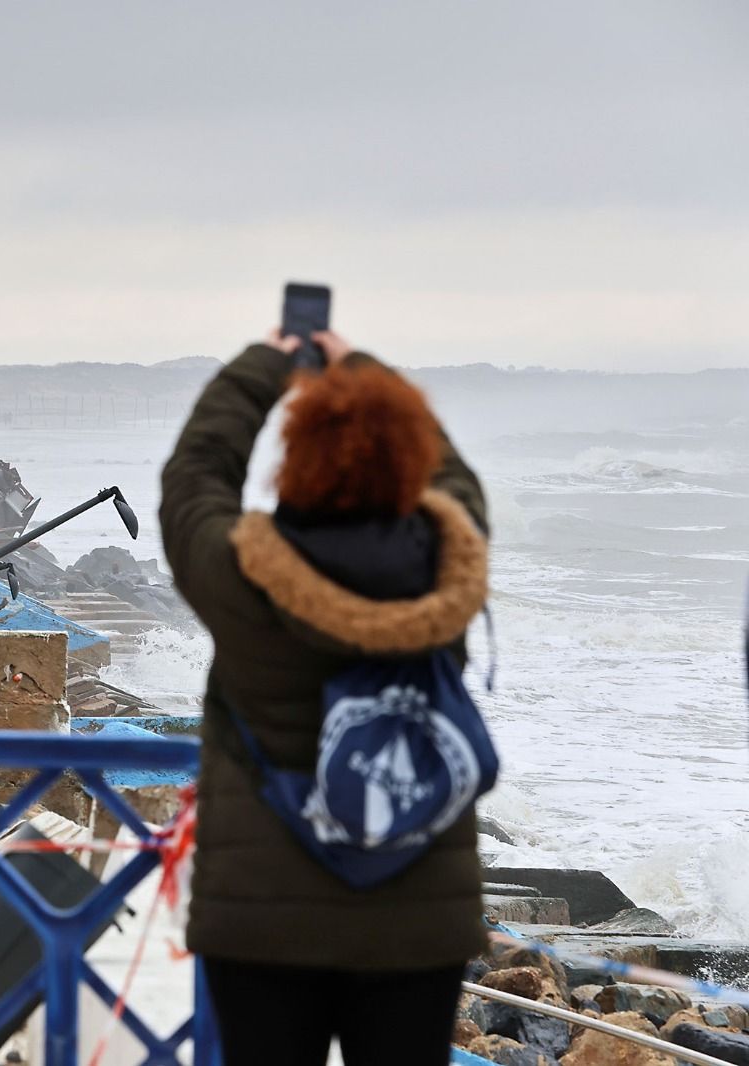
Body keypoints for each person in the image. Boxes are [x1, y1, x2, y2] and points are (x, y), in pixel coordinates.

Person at [159, 328, 490, 1065]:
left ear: (293, 461)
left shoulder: (240, 574)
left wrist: (268, 363)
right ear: (410, 462)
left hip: (262, 919)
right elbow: (458, 482)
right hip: (416, 920)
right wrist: (362, 371)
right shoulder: (450, 563)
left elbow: (195, 476)